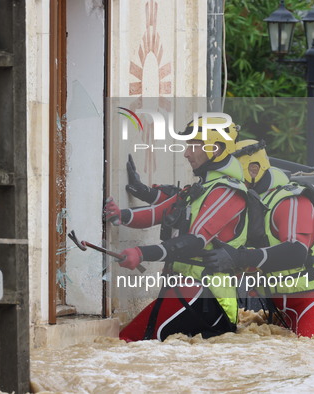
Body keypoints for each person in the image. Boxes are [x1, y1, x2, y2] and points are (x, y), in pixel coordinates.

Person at [104, 116, 249, 342]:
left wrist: (142, 253)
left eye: (193, 145)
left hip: (207, 299)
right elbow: (159, 212)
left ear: (216, 148)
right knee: (127, 344)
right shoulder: (202, 188)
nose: (186, 153)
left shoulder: (228, 192)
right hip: (186, 292)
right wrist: (120, 215)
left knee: (126, 344)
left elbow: (195, 240)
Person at [205, 139, 314, 338]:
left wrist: (239, 258)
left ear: (255, 169)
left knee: (313, 355)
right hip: (276, 307)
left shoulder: (291, 201)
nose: (228, 181)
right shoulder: (250, 204)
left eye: (234, 174)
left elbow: (296, 252)